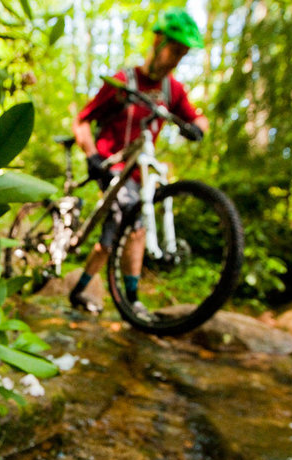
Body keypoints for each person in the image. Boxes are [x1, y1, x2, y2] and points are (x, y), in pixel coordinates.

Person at [68, 7, 210, 314]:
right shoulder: (123, 82)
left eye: (183, 54)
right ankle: (131, 300)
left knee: (112, 236)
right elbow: (82, 120)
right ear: (158, 42)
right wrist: (92, 155)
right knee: (135, 227)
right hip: (110, 165)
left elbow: (198, 118)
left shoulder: (172, 90)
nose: (176, 59)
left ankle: (80, 289)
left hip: (139, 173)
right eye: (174, 50)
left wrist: (197, 129)